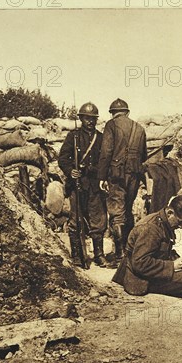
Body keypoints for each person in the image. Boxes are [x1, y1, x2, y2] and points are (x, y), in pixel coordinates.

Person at [112, 195, 182, 297]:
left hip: (149, 275)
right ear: (170, 213)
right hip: (139, 279)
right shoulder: (151, 228)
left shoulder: (162, 223)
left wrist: (181, 262)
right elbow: (140, 263)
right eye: (180, 222)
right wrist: (172, 266)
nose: (181, 227)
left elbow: (159, 251)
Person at [97, 98, 148, 263]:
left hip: (116, 175)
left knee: (117, 213)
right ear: (128, 112)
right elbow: (144, 156)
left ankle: (120, 254)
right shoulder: (139, 128)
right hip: (134, 174)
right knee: (127, 211)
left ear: (112, 113)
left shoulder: (111, 125)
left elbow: (106, 152)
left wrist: (102, 176)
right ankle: (130, 251)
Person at [58, 102, 108, 267]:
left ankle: (99, 255)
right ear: (81, 118)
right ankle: (77, 255)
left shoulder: (100, 138)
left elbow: (104, 162)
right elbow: (63, 158)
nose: (90, 122)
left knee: (98, 221)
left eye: (93, 119)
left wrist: (92, 170)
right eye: (87, 118)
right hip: (77, 185)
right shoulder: (73, 137)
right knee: (76, 221)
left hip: (94, 185)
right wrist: (70, 171)